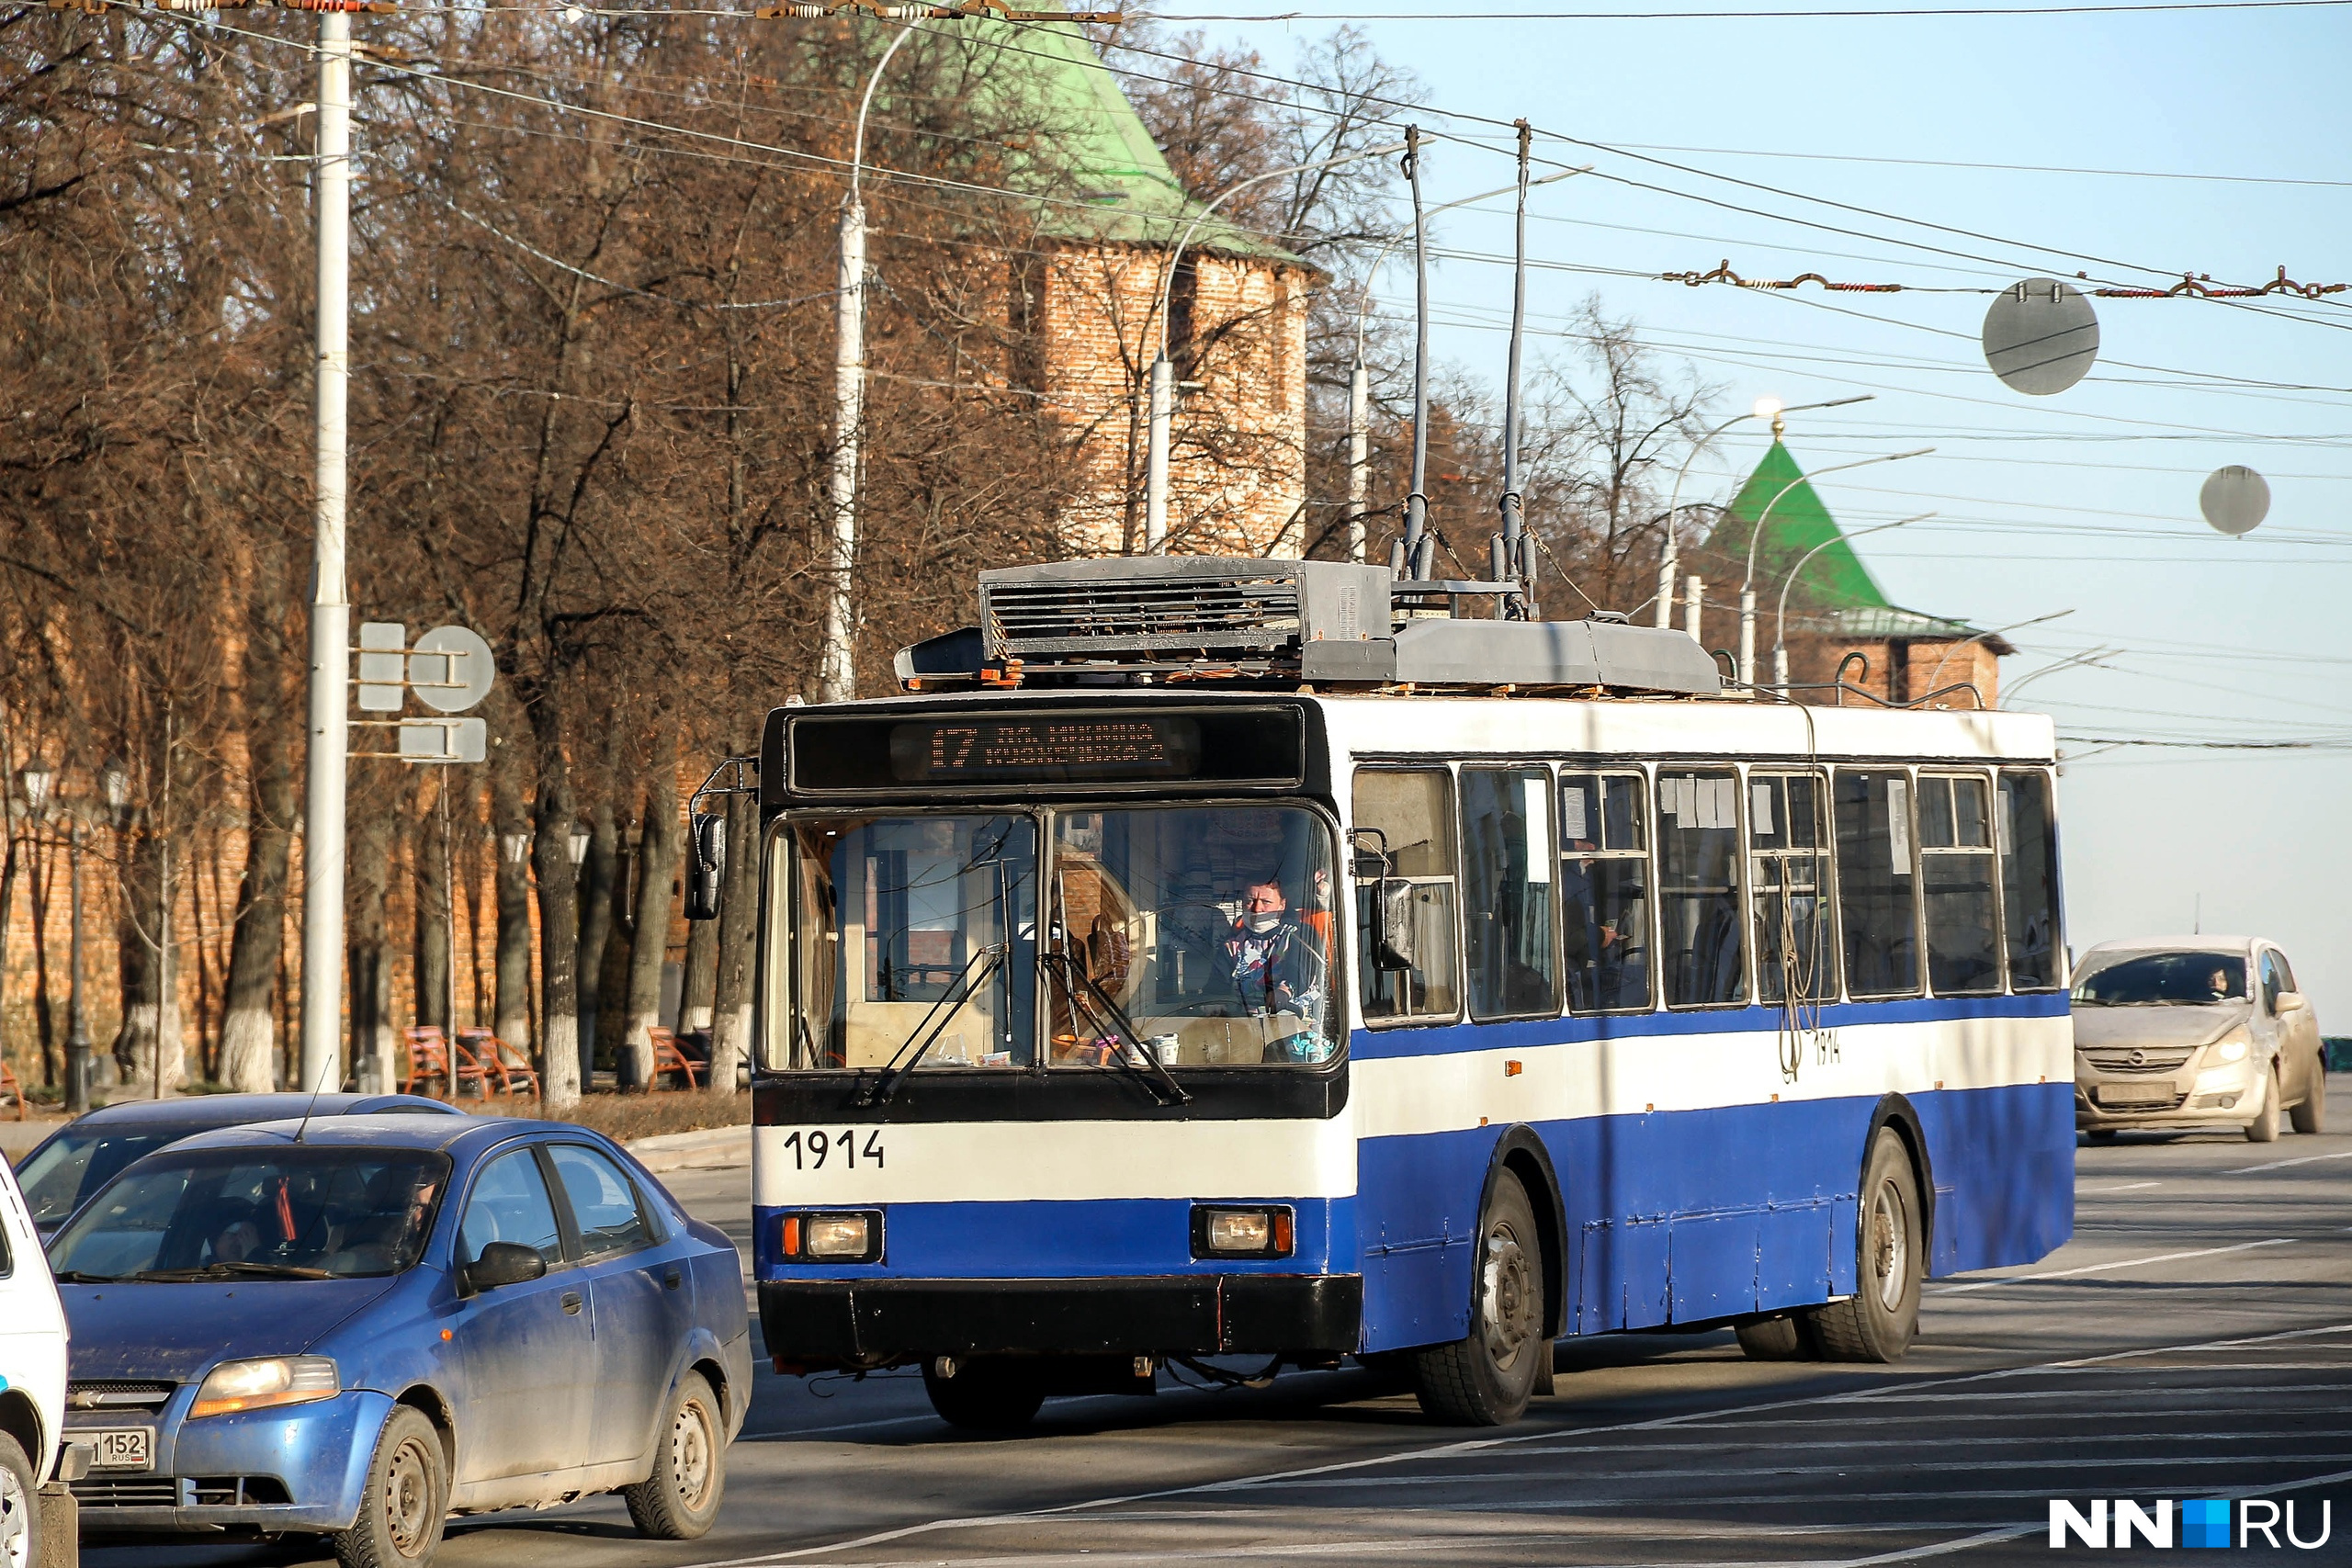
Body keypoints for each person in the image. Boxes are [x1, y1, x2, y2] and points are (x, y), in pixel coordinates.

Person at [1224, 879, 1328, 1062]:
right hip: (1241, 1032)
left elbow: (1300, 973)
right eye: (1249, 900)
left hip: (1294, 1032)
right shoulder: (1232, 944)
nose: (1256, 909)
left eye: (1266, 902)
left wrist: (1283, 992)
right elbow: (1215, 985)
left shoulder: (1300, 934)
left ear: (1282, 904)